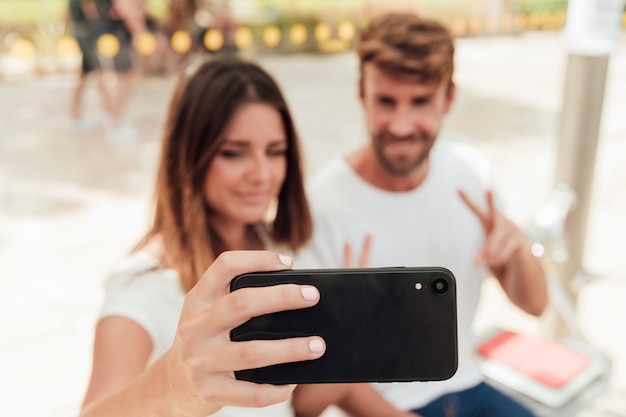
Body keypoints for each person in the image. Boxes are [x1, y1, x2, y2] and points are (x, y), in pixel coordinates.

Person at [79, 57, 412, 417]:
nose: (262, 173)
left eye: (275, 151)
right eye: (234, 153)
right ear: (189, 155)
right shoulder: (143, 284)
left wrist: (348, 340)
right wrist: (176, 383)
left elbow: (303, 404)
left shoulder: (285, 252)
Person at [296, 13, 549, 417]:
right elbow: (311, 385)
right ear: (361, 94)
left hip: (467, 384)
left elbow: (536, 305)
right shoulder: (320, 207)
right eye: (386, 101)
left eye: (420, 102)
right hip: (379, 403)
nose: (400, 125)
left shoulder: (470, 174)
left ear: (449, 98)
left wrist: (518, 250)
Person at [67, 0, 112, 132]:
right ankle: (109, 112)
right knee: (101, 73)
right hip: (89, 36)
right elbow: (91, 11)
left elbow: (68, 16)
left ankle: (76, 116)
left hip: (79, 33)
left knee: (85, 75)